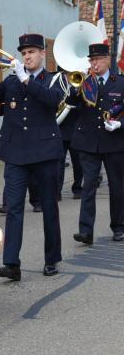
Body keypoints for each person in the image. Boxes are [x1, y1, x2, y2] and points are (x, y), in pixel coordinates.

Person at [0, 34, 64, 280]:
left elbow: (52, 100)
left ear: (43, 53)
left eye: (32, 52)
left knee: (48, 207)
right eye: (24, 53)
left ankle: (52, 258)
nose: (27, 57)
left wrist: (26, 79)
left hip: (44, 154)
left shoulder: (54, 79)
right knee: (13, 208)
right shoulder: (11, 81)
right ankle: (12, 263)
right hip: (15, 154)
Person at [70, 43, 124, 244]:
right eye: (91, 60)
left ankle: (118, 226)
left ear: (107, 59)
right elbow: (71, 102)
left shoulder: (119, 82)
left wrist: (119, 123)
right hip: (88, 142)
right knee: (88, 186)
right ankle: (86, 231)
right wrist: (78, 85)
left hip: (114, 142)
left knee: (117, 186)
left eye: (98, 59)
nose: (94, 63)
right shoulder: (85, 82)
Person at [53, 69, 83, 200]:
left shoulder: (82, 81)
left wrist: (72, 107)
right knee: (59, 163)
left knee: (78, 163)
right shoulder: (57, 82)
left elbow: (86, 104)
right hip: (60, 128)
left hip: (76, 129)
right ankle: (57, 191)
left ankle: (77, 188)